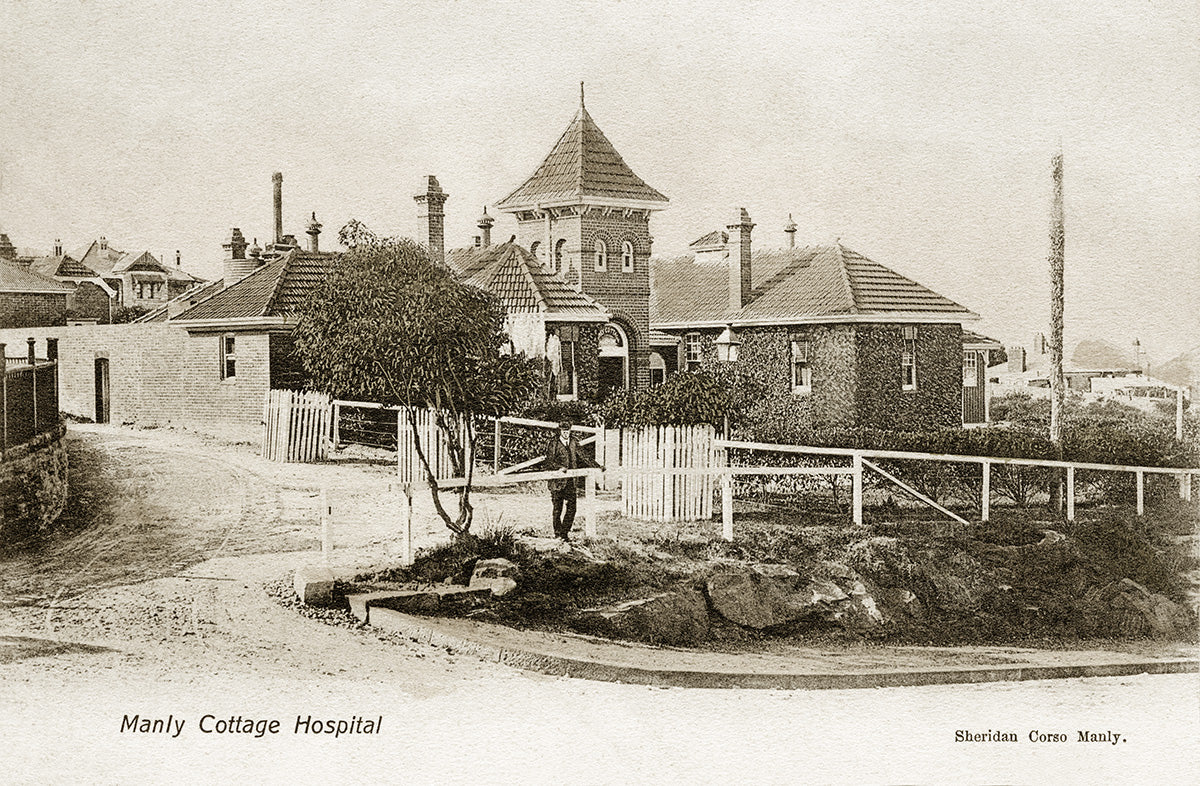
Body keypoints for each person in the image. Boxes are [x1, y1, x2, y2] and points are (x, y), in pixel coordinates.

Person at [540, 420, 602, 540]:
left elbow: (584, 456)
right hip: (557, 482)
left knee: (572, 508)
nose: (566, 434)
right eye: (563, 431)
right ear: (560, 431)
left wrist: (597, 466)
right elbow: (548, 462)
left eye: (567, 431)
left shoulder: (573, 442)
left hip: (571, 482)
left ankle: (564, 533)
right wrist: (559, 468)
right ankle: (558, 534)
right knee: (557, 509)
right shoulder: (554, 443)